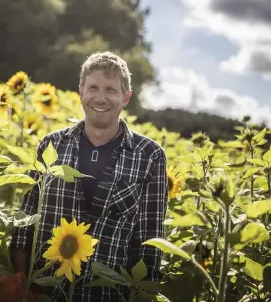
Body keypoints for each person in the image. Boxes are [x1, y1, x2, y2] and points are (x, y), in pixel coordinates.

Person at [10, 51, 168, 302]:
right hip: (44, 292)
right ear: (81, 91)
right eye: (93, 87)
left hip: (107, 294)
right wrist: (22, 281)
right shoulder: (52, 146)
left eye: (111, 90)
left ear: (126, 97)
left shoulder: (149, 156)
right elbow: (26, 221)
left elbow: (149, 240)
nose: (100, 97)